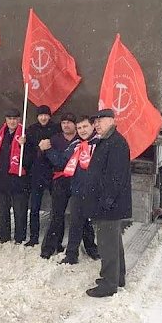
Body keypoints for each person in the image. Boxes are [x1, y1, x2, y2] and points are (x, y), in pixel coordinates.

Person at [85, 108, 132, 297]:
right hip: (108, 202)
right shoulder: (107, 141)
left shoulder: (116, 143)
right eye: (95, 122)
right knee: (114, 242)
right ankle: (118, 277)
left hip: (110, 204)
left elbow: (116, 177)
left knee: (107, 244)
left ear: (112, 120)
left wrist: (107, 200)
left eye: (100, 121)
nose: (97, 125)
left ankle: (108, 283)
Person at [41, 115, 99, 264]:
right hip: (77, 188)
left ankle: (92, 248)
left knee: (87, 221)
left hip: (93, 189)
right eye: (80, 128)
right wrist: (48, 151)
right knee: (75, 220)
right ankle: (70, 254)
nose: (82, 130)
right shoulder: (76, 145)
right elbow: (61, 161)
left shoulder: (100, 144)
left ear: (92, 126)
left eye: (85, 127)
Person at [0, 108, 33, 244]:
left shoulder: (25, 135)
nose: (12, 121)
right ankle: (4, 237)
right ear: (6, 120)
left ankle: (20, 237)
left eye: (15, 119)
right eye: (9, 119)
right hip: (2, 180)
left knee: (20, 211)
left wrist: (25, 146)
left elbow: (31, 159)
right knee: (3, 211)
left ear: (19, 120)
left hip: (19, 180)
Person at [24, 105, 60, 246]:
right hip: (36, 173)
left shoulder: (56, 130)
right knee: (34, 208)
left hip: (52, 172)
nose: (43, 118)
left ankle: (56, 238)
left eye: (46, 115)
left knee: (56, 208)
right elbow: (27, 152)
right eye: (41, 115)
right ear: (37, 116)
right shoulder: (31, 130)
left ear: (49, 116)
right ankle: (33, 237)